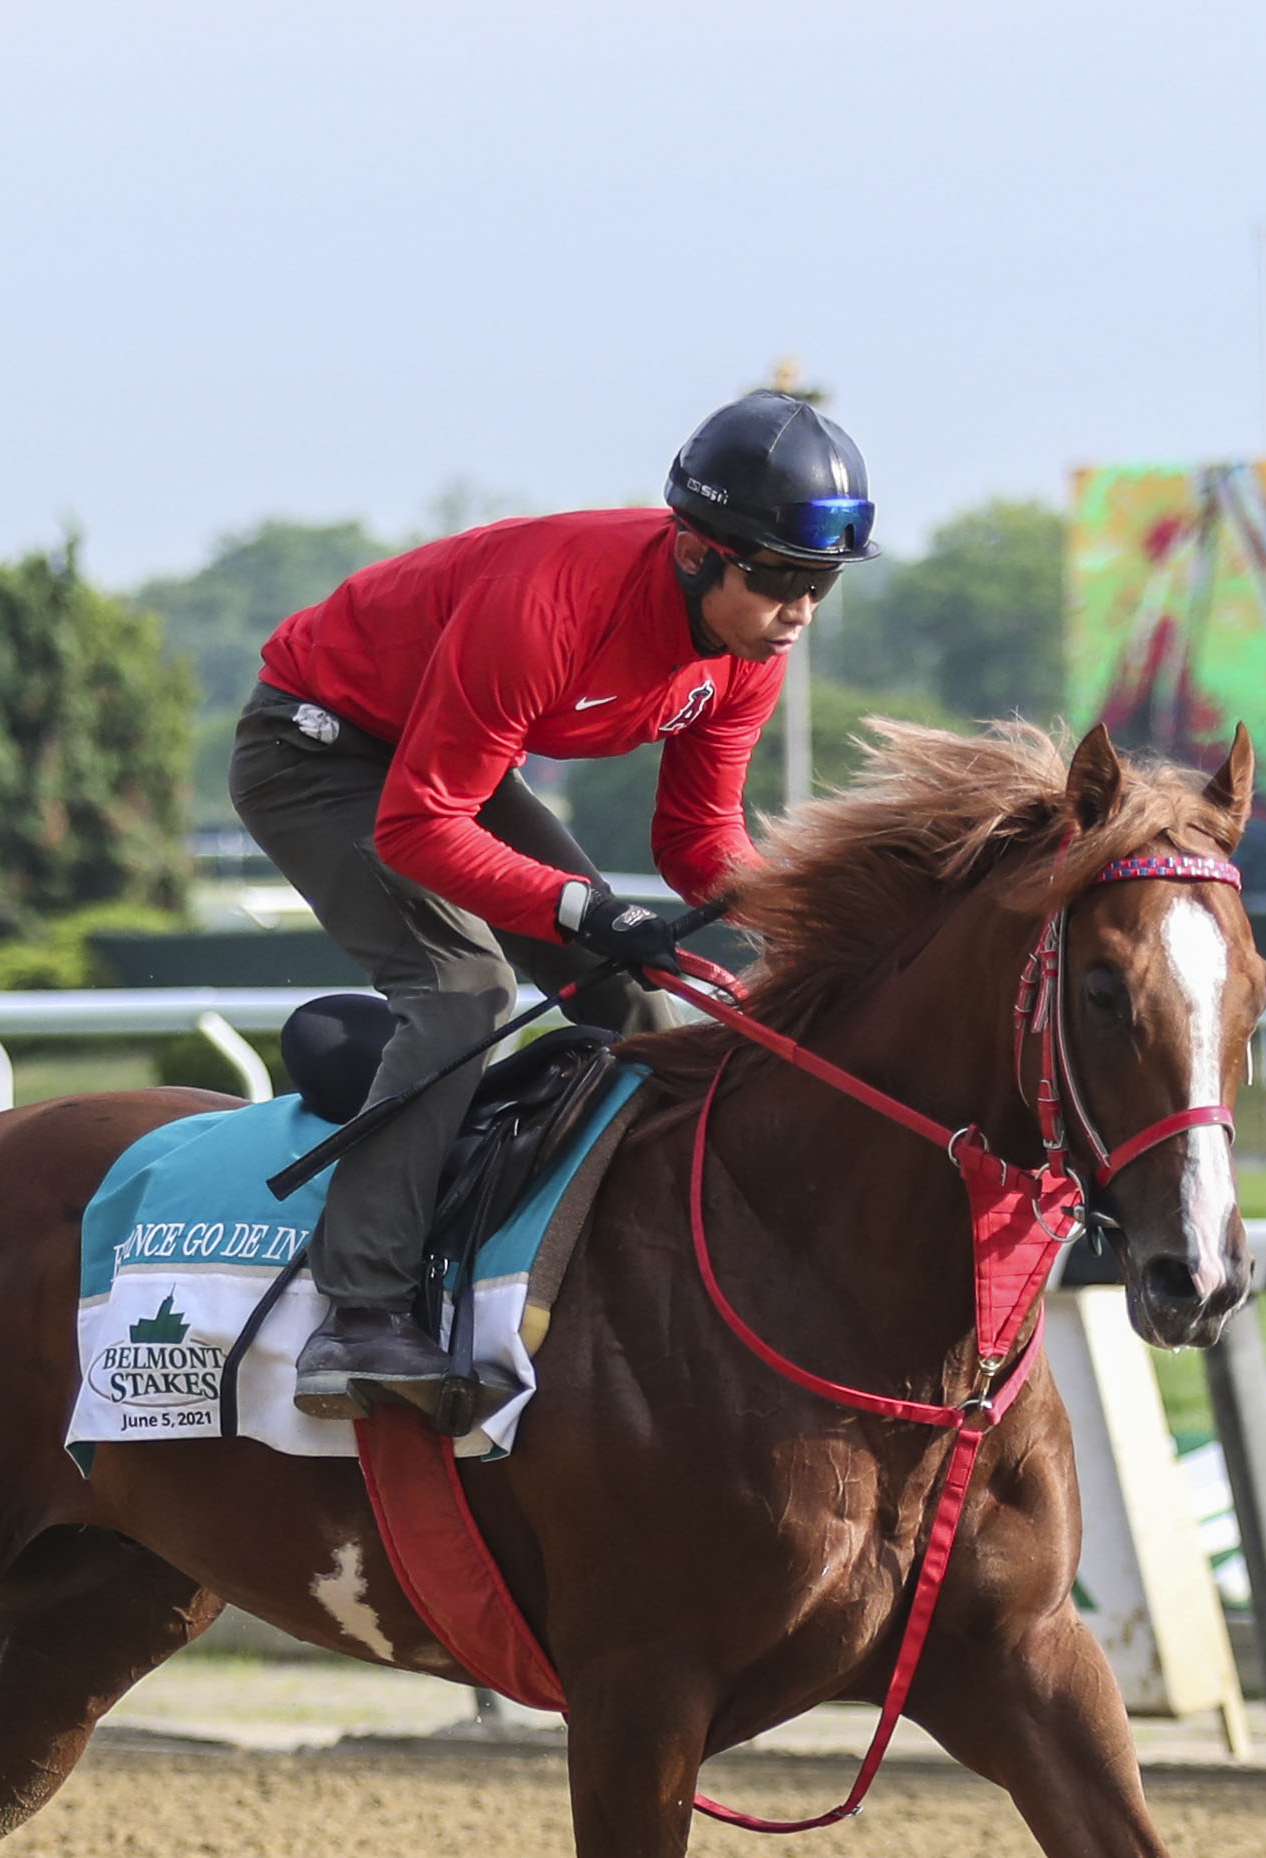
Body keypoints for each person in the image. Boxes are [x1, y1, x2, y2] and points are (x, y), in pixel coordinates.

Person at [229, 390, 878, 1419]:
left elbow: (698, 844)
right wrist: (581, 907)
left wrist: (823, 923)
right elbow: (411, 829)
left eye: (822, 584)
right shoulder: (548, 606)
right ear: (697, 550)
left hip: (443, 765)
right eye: (781, 577)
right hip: (318, 754)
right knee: (464, 993)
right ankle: (356, 1315)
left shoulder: (744, 651)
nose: (800, 608)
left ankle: (635, 1262)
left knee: (637, 997)